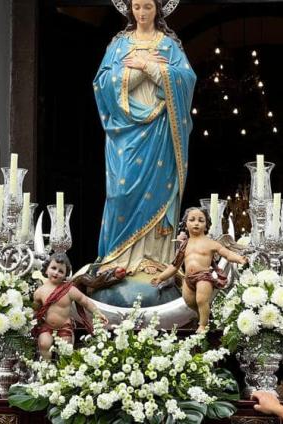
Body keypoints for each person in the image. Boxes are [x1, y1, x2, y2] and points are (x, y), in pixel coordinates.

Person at [94, 0, 196, 277]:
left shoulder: (169, 45)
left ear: (157, 9)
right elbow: (102, 84)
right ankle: (116, 258)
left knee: (159, 188)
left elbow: (187, 80)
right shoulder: (119, 44)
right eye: (136, 7)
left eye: (147, 7)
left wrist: (152, 68)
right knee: (120, 193)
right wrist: (139, 71)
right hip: (125, 131)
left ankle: (154, 257)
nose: (141, 13)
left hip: (160, 128)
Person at [151, 207, 247, 332]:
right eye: (192, 220)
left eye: (201, 220)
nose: (196, 223)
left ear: (206, 225)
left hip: (204, 277)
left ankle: (203, 325)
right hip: (188, 279)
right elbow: (174, 266)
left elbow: (227, 254)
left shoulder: (210, 243)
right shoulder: (184, 245)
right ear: (186, 224)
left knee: (201, 300)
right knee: (190, 302)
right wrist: (161, 277)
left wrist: (239, 259)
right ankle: (205, 317)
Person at [33, 253, 109, 360]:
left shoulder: (69, 290)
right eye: (53, 268)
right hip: (47, 326)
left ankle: (64, 366)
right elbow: (36, 310)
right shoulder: (39, 292)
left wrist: (98, 313)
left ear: (66, 274)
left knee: (66, 348)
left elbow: (85, 301)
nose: (56, 273)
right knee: (43, 343)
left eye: (61, 271)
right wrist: (30, 320)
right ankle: (46, 366)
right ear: (46, 269)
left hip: (64, 326)